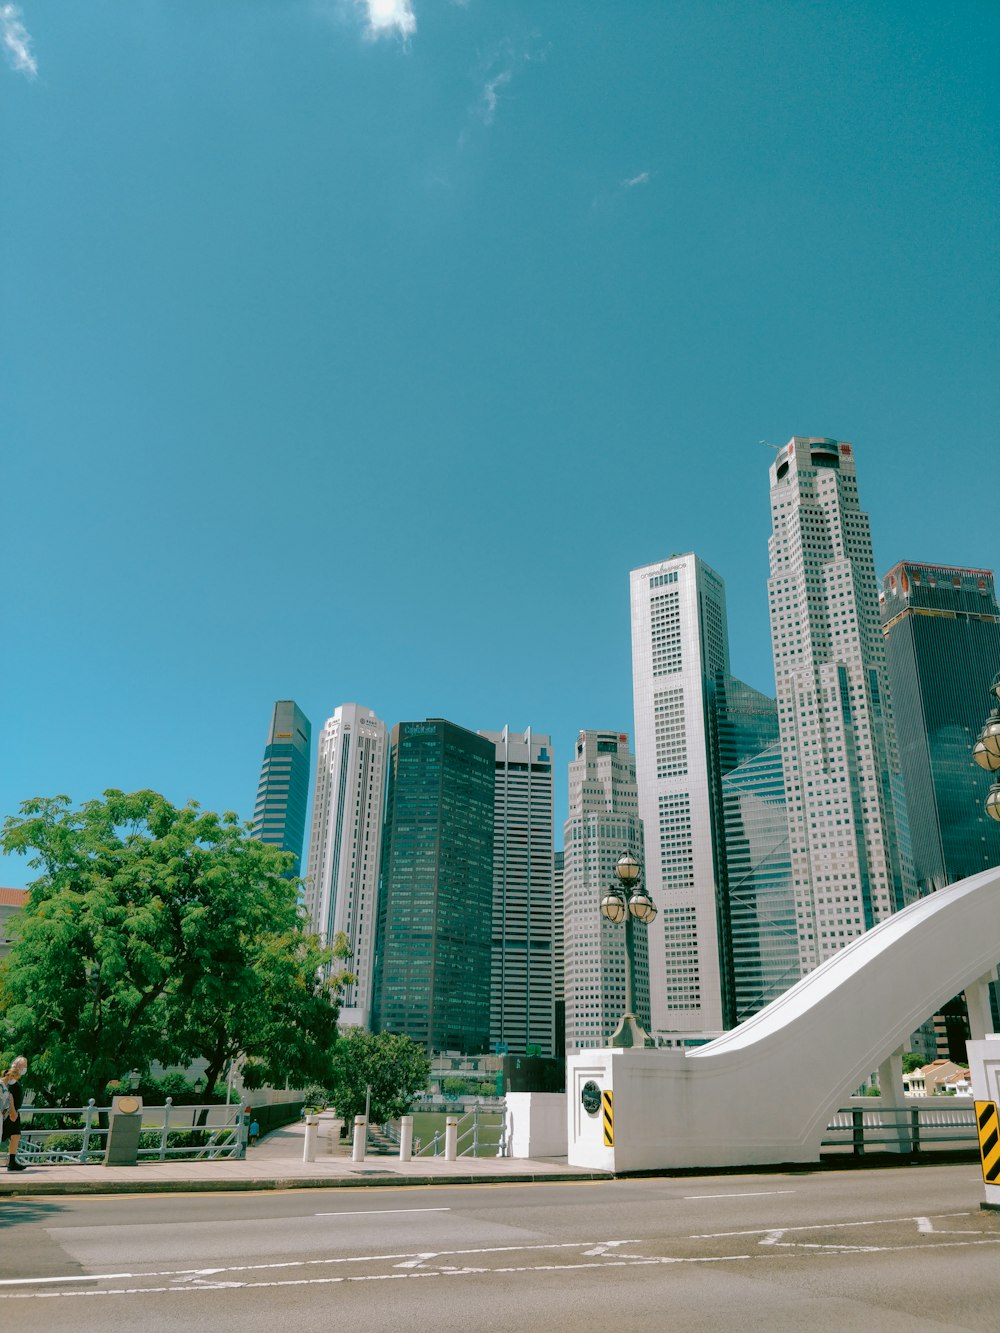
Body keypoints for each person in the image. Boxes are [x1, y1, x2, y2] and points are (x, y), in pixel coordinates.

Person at [2, 1056, 29, 1172]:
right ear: (18, 1066)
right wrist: (12, 1112)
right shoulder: (11, 1077)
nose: (25, 1068)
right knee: (8, 1136)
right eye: (24, 1065)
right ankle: (12, 1162)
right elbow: (10, 1096)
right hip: (9, 1113)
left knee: (15, 1136)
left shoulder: (13, 1077)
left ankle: (12, 1161)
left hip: (12, 1112)